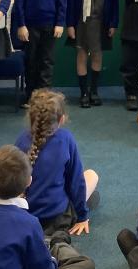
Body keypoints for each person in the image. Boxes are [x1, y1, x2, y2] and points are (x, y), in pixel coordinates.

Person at [14, 90, 100, 237]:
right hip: (57, 218)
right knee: (92, 176)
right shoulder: (66, 139)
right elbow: (76, 182)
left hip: (26, 216)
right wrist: (82, 216)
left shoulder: (21, 140)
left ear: (30, 117)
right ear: (62, 119)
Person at [65, 0, 118, 108]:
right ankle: (83, 93)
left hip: (100, 23)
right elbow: (70, 3)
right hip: (80, 24)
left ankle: (94, 91)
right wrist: (70, 25)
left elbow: (114, 4)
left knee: (97, 55)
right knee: (81, 55)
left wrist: (113, 24)